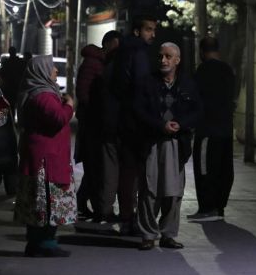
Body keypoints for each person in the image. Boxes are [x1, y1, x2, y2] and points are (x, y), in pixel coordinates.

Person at [134, 42, 201, 250]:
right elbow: (138, 111)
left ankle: (168, 234)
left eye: (168, 56)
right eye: (161, 56)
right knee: (149, 189)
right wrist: (160, 125)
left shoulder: (187, 84)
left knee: (173, 191)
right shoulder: (147, 83)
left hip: (176, 143)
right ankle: (148, 234)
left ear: (177, 60)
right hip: (153, 142)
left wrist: (181, 124)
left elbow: (198, 110)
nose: (163, 60)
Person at [96, 15, 157, 234]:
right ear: (137, 31)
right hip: (132, 121)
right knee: (133, 172)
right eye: (148, 29)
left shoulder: (121, 54)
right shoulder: (138, 52)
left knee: (124, 172)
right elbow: (141, 87)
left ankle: (126, 217)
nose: (153, 34)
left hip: (120, 119)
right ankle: (130, 218)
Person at [13, 55, 76, 257]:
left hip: (41, 157)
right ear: (42, 71)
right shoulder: (43, 96)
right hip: (47, 160)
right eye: (52, 68)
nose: (56, 71)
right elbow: (58, 118)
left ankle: (35, 244)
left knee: (38, 202)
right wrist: (69, 106)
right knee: (47, 202)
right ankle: (45, 244)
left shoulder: (35, 92)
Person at [74, 30, 121, 219]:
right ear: (107, 44)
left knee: (96, 167)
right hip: (91, 123)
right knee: (94, 166)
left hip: (96, 121)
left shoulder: (103, 63)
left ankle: (89, 204)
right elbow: (83, 92)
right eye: (115, 45)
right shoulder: (93, 63)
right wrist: (96, 110)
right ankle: (89, 205)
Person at [189, 36, 236, 222]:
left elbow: (195, 98)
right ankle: (219, 207)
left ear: (201, 52)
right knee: (224, 168)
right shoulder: (228, 70)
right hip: (225, 129)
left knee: (205, 168)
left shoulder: (203, 70)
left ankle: (207, 208)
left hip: (207, 129)